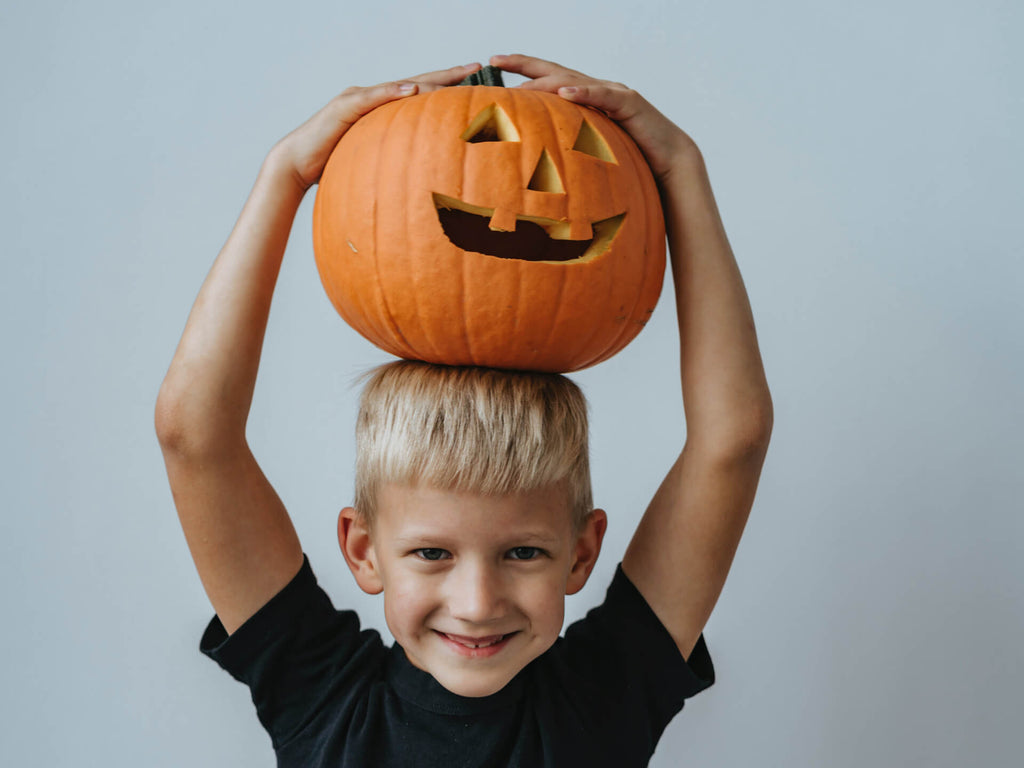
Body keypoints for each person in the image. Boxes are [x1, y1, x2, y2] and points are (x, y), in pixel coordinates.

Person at [155, 54, 773, 767]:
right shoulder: (322, 696)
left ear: (581, 551)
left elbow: (733, 442)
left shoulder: (601, 701)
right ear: (363, 549)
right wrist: (285, 174)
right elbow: (191, 437)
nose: (478, 602)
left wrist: (682, 170)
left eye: (523, 552)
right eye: (430, 554)